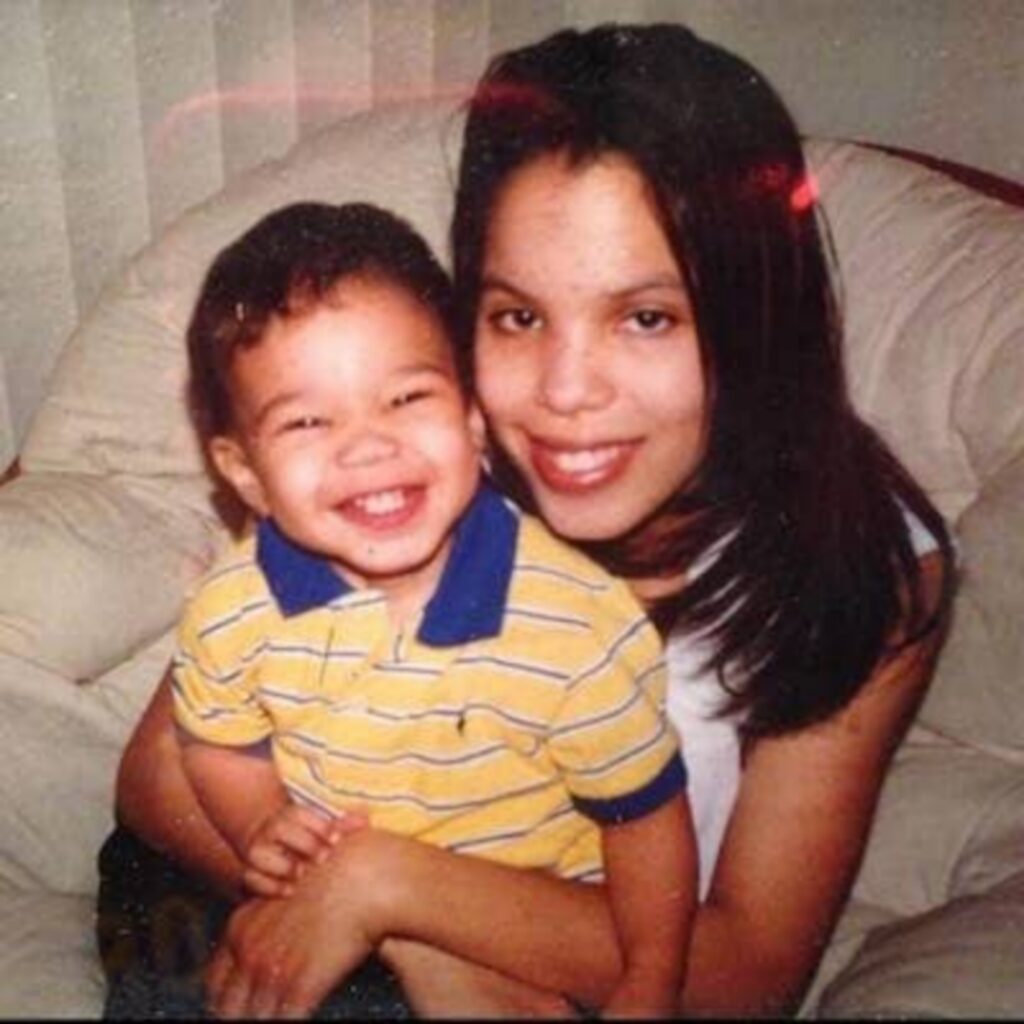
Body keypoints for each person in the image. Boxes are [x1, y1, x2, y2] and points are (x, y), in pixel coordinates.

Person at [101, 21, 955, 1019]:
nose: (563, 392)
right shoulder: (418, 468)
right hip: (278, 885)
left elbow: (743, 977)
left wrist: (394, 890)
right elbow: (159, 773)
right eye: (517, 315)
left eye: (646, 317)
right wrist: (410, 933)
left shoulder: (862, 563)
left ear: (755, 312)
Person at [103, 198, 696, 1017]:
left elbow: (647, 821)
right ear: (243, 475)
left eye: (407, 399)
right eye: (307, 420)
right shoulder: (233, 606)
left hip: (497, 919)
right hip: (302, 887)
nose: (367, 445)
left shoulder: (575, 624)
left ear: (472, 419)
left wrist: (650, 987)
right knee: (180, 975)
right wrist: (260, 827)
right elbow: (214, 739)